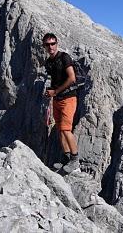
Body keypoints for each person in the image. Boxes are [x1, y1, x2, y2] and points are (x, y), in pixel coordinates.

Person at [43, 33, 80, 173]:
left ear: (57, 44)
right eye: (47, 44)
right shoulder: (49, 62)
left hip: (68, 98)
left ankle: (75, 160)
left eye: (53, 43)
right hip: (57, 99)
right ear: (44, 46)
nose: (50, 46)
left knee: (66, 129)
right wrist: (50, 91)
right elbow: (54, 80)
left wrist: (56, 91)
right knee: (60, 129)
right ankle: (66, 159)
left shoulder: (64, 57)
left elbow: (72, 78)